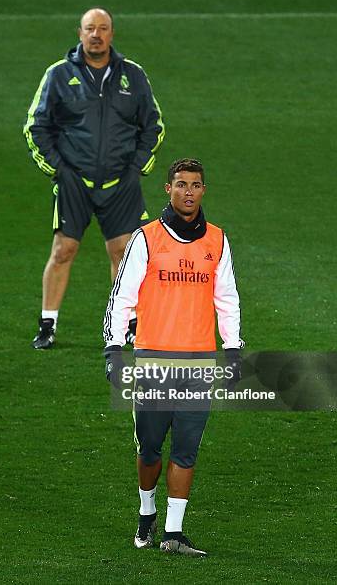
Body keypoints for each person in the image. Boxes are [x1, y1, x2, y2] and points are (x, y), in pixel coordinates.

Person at [103, 158, 244, 557]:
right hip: (153, 358)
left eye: (195, 185)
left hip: (199, 359)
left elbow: (227, 298)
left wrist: (232, 349)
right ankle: (147, 510)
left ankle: (173, 532)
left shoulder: (217, 240)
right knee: (149, 448)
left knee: (186, 447)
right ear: (168, 189)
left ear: (203, 190)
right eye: (181, 184)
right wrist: (114, 348)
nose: (188, 192)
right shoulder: (146, 238)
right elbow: (122, 297)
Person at [24, 7, 165, 348]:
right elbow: (35, 126)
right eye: (90, 28)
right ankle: (48, 324)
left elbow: (154, 125)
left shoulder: (133, 75)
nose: (96, 34)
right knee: (64, 249)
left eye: (103, 28)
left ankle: (128, 325)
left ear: (112, 34)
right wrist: (59, 170)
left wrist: (136, 168)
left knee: (123, 252)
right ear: (80, 33)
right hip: (75, 180)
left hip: (121, 182)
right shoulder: (58, 75)